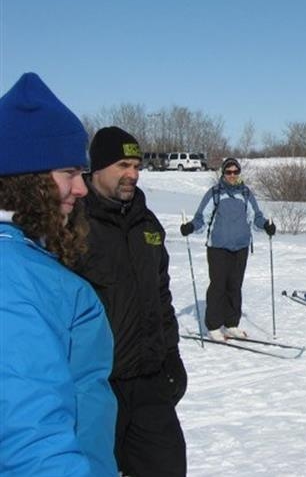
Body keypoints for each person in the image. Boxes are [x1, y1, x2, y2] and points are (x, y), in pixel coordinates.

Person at [0, 72, 117, 476]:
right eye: (69, 172)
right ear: (27, 179)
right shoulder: (14, 278)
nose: (81, 188)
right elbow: (28, 429)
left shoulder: (29, 262)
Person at [76, 126, 187, 476]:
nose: (133, 174)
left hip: (150, 381)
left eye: (137, 165)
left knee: (167, 467)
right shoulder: (72, 224)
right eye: (123, 164)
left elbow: (161, 297)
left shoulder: (147, 224)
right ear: (96, 168)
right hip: (95, 386)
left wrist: (171, 355)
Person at [181, 157, 275, 340]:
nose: (232, 175)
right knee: (218, 286)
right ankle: (214, 326)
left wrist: (266, 226)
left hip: (241, 247)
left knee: (235, 286)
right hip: (218, 247)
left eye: (235, 172)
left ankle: (231, 324)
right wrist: (191, 227)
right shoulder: (215, 193)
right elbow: (202, 217)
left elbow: (256, 217)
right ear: (223, 173)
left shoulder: (246, 194)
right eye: (229, 172)